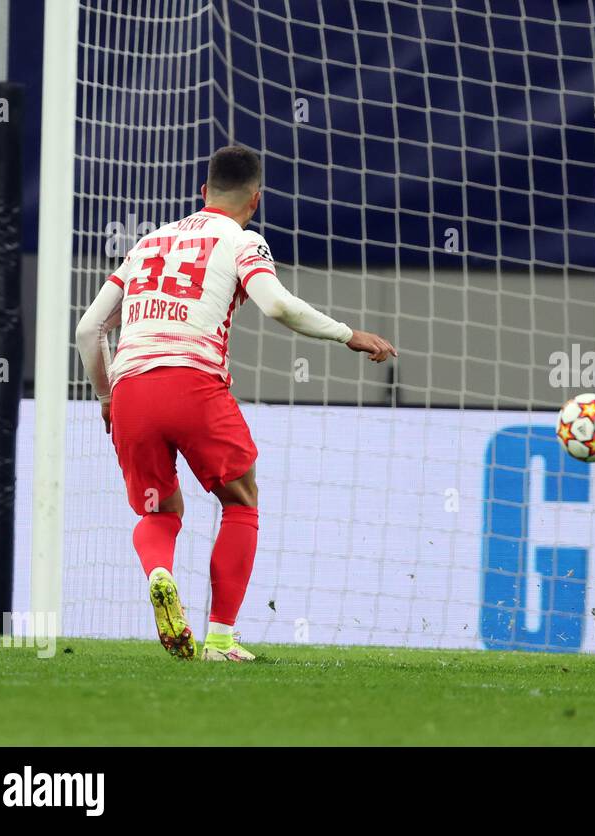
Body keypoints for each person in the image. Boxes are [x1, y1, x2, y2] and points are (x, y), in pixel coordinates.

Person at [75, 145, 396, 661]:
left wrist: (108, 396)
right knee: (240, 500)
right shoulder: (243, 240)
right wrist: (347, 334)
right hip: (193, 383)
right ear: (256, 199)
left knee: (158, 508)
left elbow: (89, 329)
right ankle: (221, 640)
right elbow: (276, 305)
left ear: (203, 192)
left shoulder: (148, 242)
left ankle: (159, 573)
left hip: (132, 386)